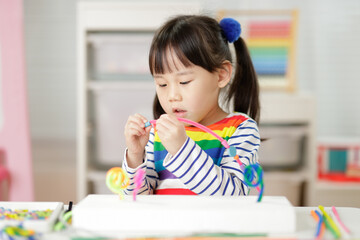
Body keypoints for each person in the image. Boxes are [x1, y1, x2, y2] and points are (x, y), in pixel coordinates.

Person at [122, 15, 260, 196]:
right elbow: (136, 199)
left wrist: (182, 150)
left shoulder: (240, 129)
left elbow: (235, 196)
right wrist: (135, 156)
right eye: (162, 84)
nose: (172, 96)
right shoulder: (156, 135)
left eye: (185, 81)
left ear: (221, 75)